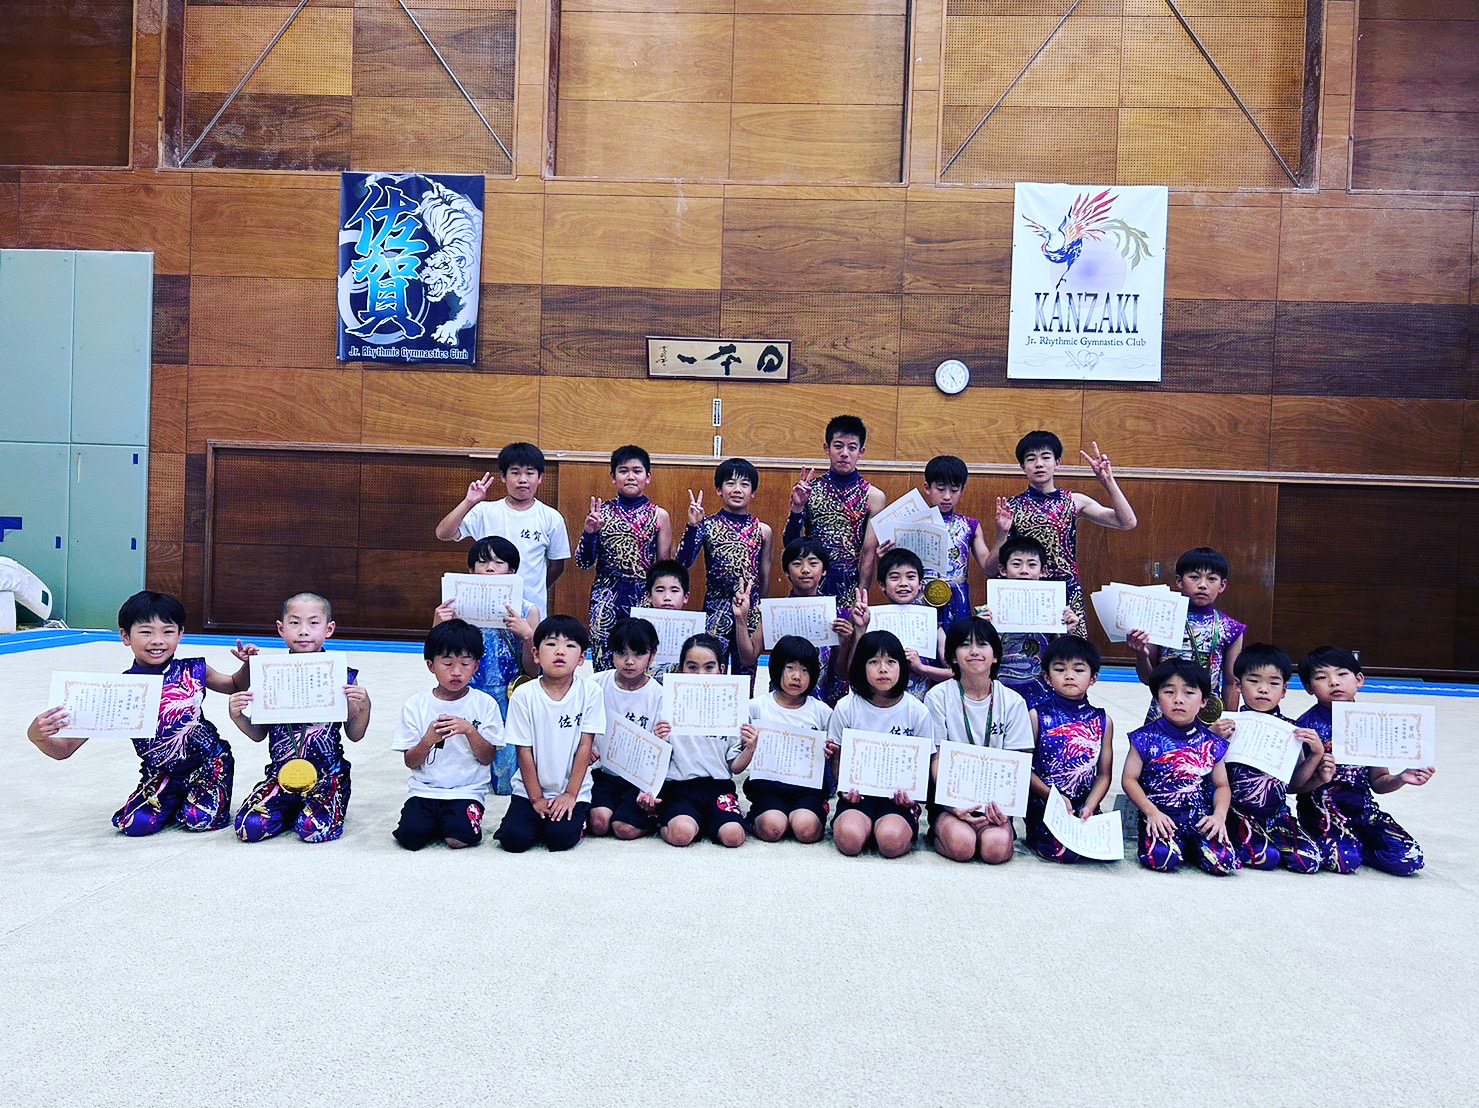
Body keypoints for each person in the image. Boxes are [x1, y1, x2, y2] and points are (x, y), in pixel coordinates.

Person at [29, 590, 253, 835]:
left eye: (168, 631)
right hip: (161, 772)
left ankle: (192, 798)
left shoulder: (194, 669)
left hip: (209, 764)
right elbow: (64, 749)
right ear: (125, 636)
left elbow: (234, 685)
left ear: (180, 634)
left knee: (198, 819)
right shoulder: (117, 691)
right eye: (146, 632)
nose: (157, 640)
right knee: (135, 824)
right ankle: (175, 796)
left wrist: (248, 664)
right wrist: (37, 735)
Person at [229, 593, 371, 843]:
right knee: (248, 827)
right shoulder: (270, 675)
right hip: (281, 774)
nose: (304, 631)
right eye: (294, 623)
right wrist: (237, 715)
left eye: (313, 623)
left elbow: (355, 734)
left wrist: (364, 705)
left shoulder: (342, 675)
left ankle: (314, 807)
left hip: (327, 775)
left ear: (329, 629)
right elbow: (259, 735)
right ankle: (291, 806)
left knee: (313, 829)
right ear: (281, 629)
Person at [1294, 646, 1431, 876]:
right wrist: (1318, 775)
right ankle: (1345, 846)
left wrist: (1401, 778)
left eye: (1342, 674)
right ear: (1309, 687)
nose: (1334, 682)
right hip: (1322, 813)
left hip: (1364, 811)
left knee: (1410, 857)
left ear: (1359, 680)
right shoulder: (1305, 727)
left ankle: (1358, 845)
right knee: (1345, 861)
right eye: (1321, 677)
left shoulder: (1372, 722)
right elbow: (1294, 785)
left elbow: (1379, 782)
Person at [989, 431, 1136, 634]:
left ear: (1057, 462)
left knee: (1070, 651)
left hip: (1066, 593)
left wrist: (1107, 482)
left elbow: (1127, 522)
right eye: (1031, 459)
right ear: (1022, 466)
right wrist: (1001, 532)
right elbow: (991, 568)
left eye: (1046, 457)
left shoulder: (1074, 501)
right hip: (1024, 594)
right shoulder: (1011, 507)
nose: (1039, 464)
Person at [923, 617, 1033, 865]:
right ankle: (938, 832)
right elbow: (936, 758)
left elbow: (1020, 763)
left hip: (996, 803)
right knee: (962, 846)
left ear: (995, 656)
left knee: (995, 851)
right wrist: (953, 804)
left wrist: (1005, 809)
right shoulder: (937, 697)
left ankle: (1001, 831)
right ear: (953, 657)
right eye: (965, 645)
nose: (974, 651)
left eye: (982, 644)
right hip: (950, 800)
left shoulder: (1013, 702)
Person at [433, 536, 538, 795]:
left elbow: (534, 670)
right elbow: (437, 656)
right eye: (482, 562)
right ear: (471, 570)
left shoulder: (527, 610)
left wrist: (528, 635)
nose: (490, 568)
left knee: (505, 780)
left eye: (499, 562)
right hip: (466, 690)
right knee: (463, 755)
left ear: (512, 571)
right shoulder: (456, 606)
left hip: (509, 692)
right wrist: (438, 622)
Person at [390, 619, 503, 850]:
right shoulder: (415, 705)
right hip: (424, 790)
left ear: (476, 665)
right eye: (448, 663)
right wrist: (429, 740)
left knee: (458, 839)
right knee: (411, 838)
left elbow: (488, 758)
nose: (456, 671)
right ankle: (437, 821)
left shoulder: (485, 704)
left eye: (465, 663)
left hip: (468, 791)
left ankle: (453, 821)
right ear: (431, 665)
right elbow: (410, 761)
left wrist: (469, 730)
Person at [495, 616, 604, 853]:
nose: (560, 651)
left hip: (573, 789)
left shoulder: (590, 692)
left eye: (570, 645)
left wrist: (570, 794)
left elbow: (585, 746)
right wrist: (536, 799)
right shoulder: (524, 694)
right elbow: (523, 751)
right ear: (536, 654)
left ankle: (579, 819)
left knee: (560, 839)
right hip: (530, 789)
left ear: (582, 658)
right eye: (551, 644)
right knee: (514, 840)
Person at [1121, 658, 1239, 875]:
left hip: (1200, 819)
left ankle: (1194, 847)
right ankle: (1182, 847)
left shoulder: (1211, 742)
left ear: (1204, 701)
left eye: (1189, 692)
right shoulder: (1144, 737)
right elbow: (1129, 779)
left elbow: (1222, 785)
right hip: (1162, 818)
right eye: (1169, 692)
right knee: (1162, 859)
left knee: (1223, 862)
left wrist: (1219, 816)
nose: (1178, 699)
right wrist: (1151, 813)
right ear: (1157, 698)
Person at [828, 630, 935, 859]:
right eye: (874, 662)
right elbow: (838, 758)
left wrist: (913, 796)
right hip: (858, 796)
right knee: (849, 840)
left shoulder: (917, 711)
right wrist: (844, 789)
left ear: (902, 667)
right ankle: (863, 826)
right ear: (861, 666)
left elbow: (924, 766)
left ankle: (889, 829)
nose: (883, 669)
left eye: (891, 662)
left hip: (898, 801)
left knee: (890, 842)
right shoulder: (846, 707)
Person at [1221, 643, 1324, 873]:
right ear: (1238, 685)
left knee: (1309, 860)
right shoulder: (1227, 725)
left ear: (1284, 690)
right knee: (1265, 857)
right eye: (1254, 681)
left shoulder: (1291, 730)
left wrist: (1316, 754)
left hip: (1277, 815)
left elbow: (1294, 784)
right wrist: (1214, 739)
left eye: (1273, 683)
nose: (1263, 689)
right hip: (1236, 813)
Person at [435, 441, 570, 613]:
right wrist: (468, 502)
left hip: (530, 612)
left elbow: (557, 566)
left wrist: (533, 591)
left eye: (530, 473)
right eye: (515, 473)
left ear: (540, 478)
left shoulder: (552, 518)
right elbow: (443, 533)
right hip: (486, 607)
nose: (522, 480)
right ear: (503, 477)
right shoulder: (484, 511)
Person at [648, 635, 755, 848]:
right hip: (679, 788)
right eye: (692, 667)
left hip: (718, 787)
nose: (700, 675)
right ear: (680, 669)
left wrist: (750, 748)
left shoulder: (733, 709)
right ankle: (664, 822)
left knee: (734, 836)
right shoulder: (666, 705)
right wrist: (658, 742)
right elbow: (655, 763)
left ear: (721, 670)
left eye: (709, 667)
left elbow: (734, 767)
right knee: (681, 834)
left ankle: (709, 821)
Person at [861, 454, 988, 629]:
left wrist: (1002, 533)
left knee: (958, 643)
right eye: (940, 489)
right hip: (917, 599)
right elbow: (891, 571)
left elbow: (989, 567)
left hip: (958, 599)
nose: (947, 496)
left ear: (962, 490)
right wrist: (882, 558)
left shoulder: (970, 526)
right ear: (927, 488)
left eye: (954, 490)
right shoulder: (907, 523)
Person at [576, 445, 674, 670]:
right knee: (604, 663)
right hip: (605, 598)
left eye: (637, 471)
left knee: (640, 662)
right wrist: (589, 533)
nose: (630, 476)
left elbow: (663, 570)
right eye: (623, 471)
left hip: (643, 599)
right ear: (613, 477)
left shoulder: (659, 515)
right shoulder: (600, 513)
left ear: (648, 477)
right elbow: (583, 562)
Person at [675, 457, 773, 674]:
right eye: (730, 483)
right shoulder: (707, 525)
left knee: (746, 675)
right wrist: (692, 527)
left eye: (744, 484)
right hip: (715, 610)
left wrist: (759, 612)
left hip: (749, 612)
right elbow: (682, 564)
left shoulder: (763, 531)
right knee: (710, 673)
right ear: (719, 490)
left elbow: (765, 577)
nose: (737, 489)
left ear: (753, 492)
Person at [1130, 546, 1245, 723]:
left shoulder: (1231, 628)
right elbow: (1148, 678)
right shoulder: (1162, 619)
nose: (1202, 585)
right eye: (1194, 577)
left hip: (1207, 715)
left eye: (1212, 579)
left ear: (1222, 585)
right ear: (1179, 581)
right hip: (1164, 712)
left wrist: (1229, 721)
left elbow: (1231, 683)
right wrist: (1140, 655)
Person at [734, 538, 856, 705]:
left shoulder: (837, 614)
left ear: (824, 570)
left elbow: (843, 672)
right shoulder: (776, 611)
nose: (805, 570)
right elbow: (748, 658)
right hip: (782, 703)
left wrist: (846, 642)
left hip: (824, 704)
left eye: (813, 563)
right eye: (797, 564)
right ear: (786, 572)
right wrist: (741, 619)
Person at [1024, 636, 1114, 863]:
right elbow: (1024, 768)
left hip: (1084, 806)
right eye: (1060, 669)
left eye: (1079, 670)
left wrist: (1091, 805)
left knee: (1102, 851)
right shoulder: (1037, 716)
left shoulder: (1103, 720)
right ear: (1047, 677)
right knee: (1064, 853)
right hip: (1046, 804)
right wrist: (1053, 797)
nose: (1069, 675)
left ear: (1093, 678)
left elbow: (1104, 775)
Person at [783, 415, 887, 601]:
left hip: (849, 590)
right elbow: (790, 545)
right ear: (827, 448)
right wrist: (797, 507)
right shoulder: (809, 490)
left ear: (861, 451)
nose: (844, 453)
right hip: (810, 587)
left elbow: (869, 554)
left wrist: (860, 598)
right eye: (838, 446)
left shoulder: (874, 497)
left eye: (852, 447)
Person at [744, 635, 835, 844]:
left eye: (805, 670)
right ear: (777, 668)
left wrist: (831, 751)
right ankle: (762, 817)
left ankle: (814, 812)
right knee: (773, 829)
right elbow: (741, 749)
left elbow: (832, 751)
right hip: (768, 786)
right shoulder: (757, 706)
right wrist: (748, 744)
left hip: (807, 789)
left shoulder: (822, 712)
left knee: (806, 830)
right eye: (790, 668)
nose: (797, 676)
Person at [975, 534, 1080, 710]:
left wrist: (1067, 632)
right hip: (998, 687)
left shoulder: (1055, 608)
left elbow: (1061, 653)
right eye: (1016, 564)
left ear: (1043, 571)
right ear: (1002, 569)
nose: (1024, 571)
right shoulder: (988, 610)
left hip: (1040, 687)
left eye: (1032, 565)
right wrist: (979, 628)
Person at [587, 617, 664, 840]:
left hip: (640, 779)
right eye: (621, 653)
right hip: (606, 773)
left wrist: (649, 788)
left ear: (652, 655)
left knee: (624, 829)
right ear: (611, 652)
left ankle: (654, 818)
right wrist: (587, 747)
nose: (629, 661)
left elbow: (662, 750)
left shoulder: (659, 695)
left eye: (638, 654)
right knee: (599, 823)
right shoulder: (595, 685)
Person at [851, 547, 950, 700]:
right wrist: (860, 629)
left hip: (918, 707)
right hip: (877, 704)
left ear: (920, 584)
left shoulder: (931, 622)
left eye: (910, 577)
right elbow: (852, 670)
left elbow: (955, 673)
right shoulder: (870, 619)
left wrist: (921, 668)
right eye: (895, 577)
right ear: (882, 585)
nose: (903, 583)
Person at [641, 559, 695, 678]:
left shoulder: (694, 629)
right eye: (660, 590)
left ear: (686, 596)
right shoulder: (639, 628)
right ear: (648, 596)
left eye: (674, 591)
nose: (667, 597)